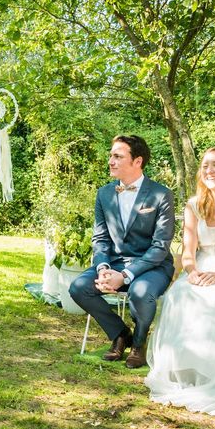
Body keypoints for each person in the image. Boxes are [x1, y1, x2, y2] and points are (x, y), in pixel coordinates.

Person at [69, 135, 175, 368]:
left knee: (140, 291)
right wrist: (104, 269)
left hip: (152, 266)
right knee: (78, 287)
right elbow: (101, 238)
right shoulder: (104, 194)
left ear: (137, 161)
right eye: (111, 156)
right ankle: (120, 334)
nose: (111, 161)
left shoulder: (161, 194)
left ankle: (139, 343)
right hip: (114, 262)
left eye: (118, 156)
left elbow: (160, 246)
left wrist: (125, 275)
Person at [145, 147, 215, 416]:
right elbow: (188, 250)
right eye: (205, 166)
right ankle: (189, 370)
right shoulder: (194, 205)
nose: (209, 171)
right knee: (181, 295)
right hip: (201, 266)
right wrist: (191, 272)